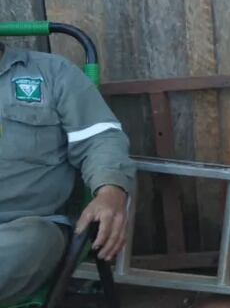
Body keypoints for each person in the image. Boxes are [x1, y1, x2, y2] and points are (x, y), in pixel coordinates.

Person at [0, 43, 134, 303]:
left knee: (31, 242)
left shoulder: (52, 73)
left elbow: (100, 138)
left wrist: (110, 190)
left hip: (24, 230)